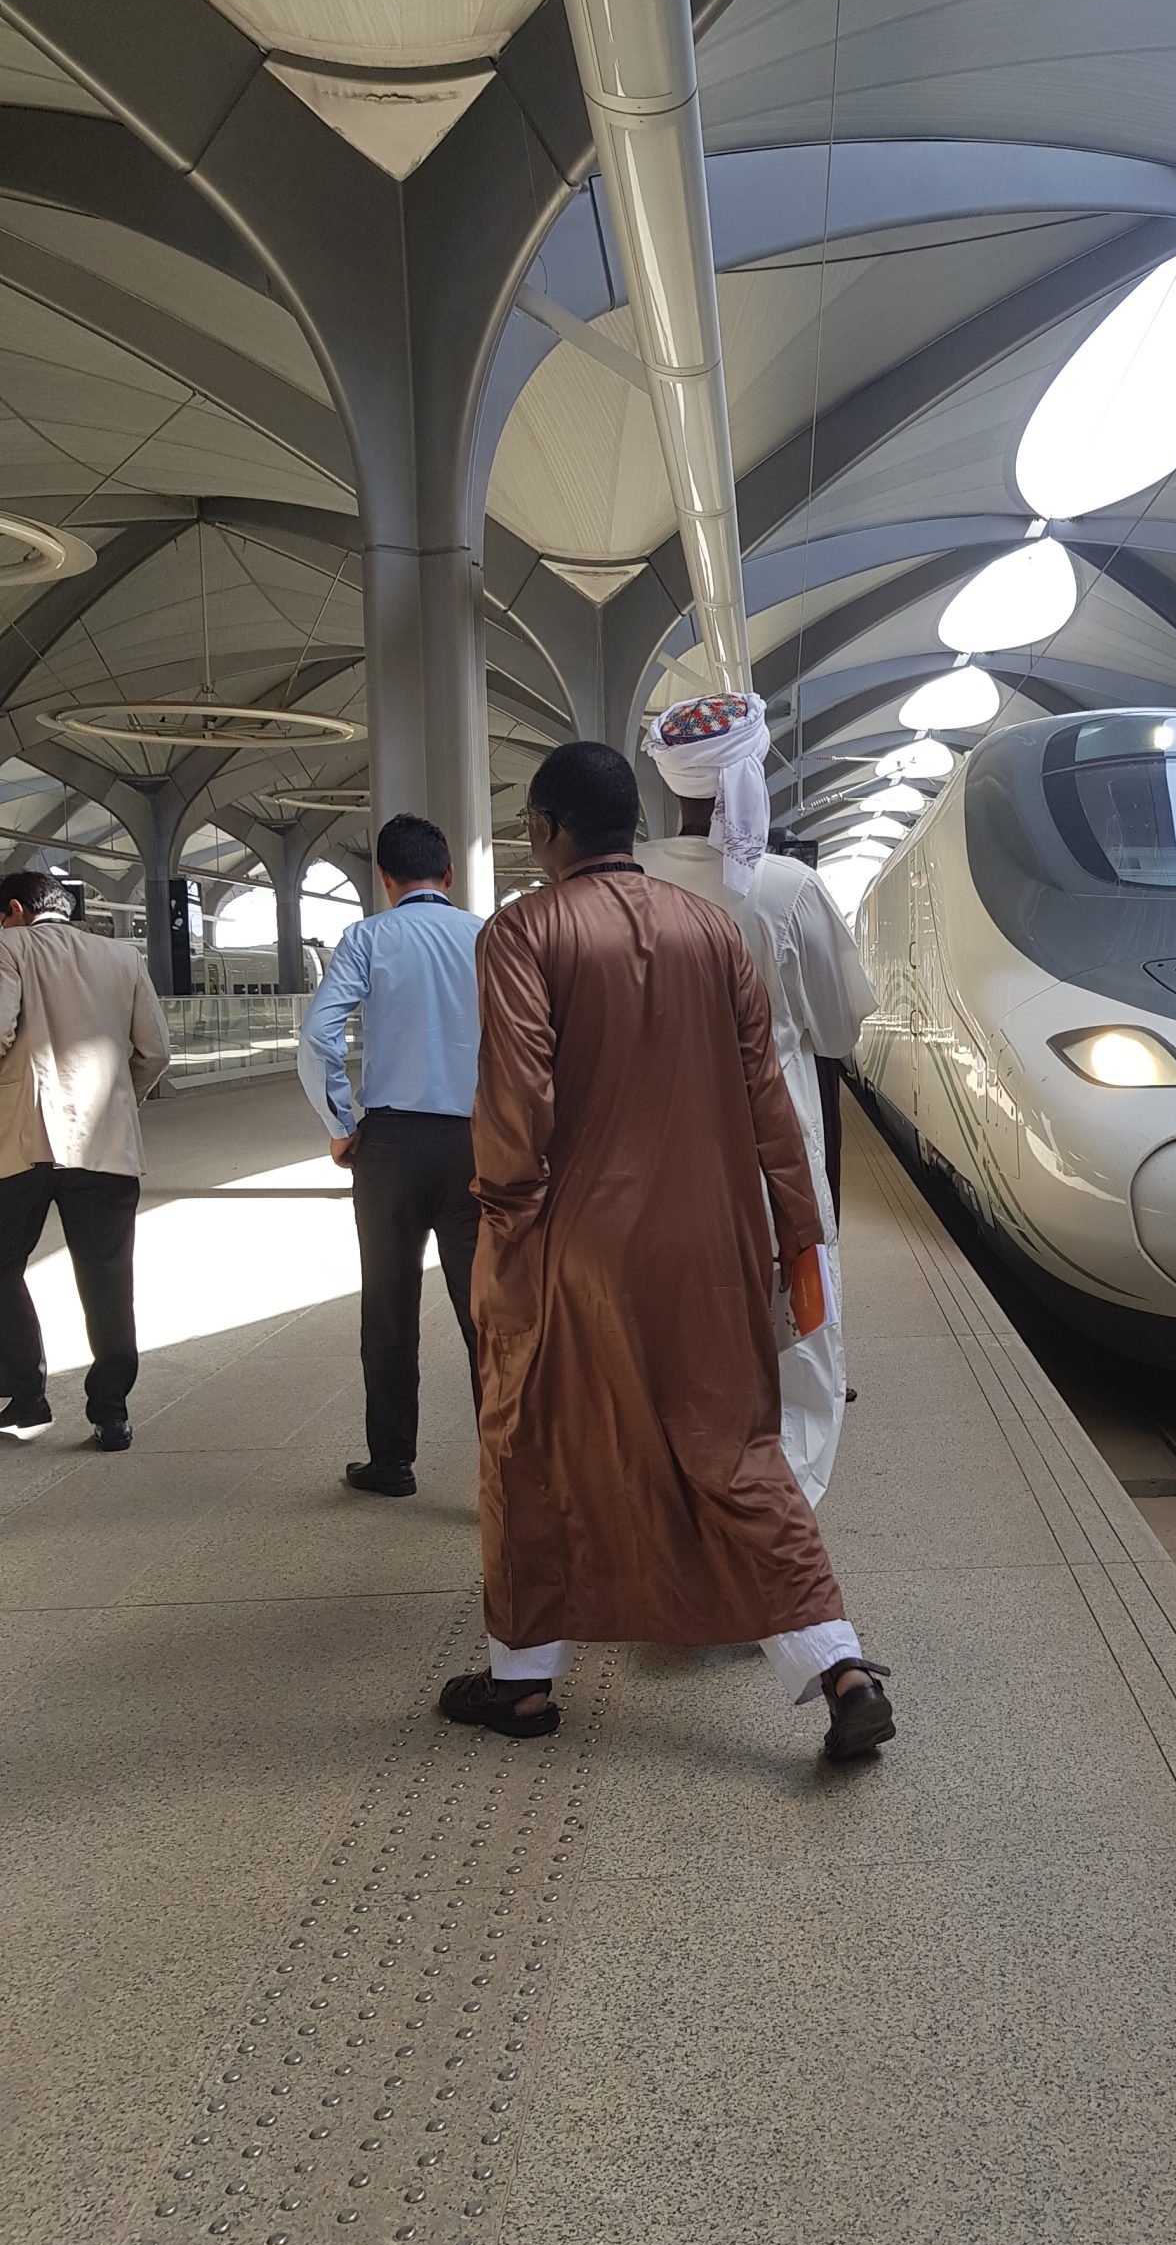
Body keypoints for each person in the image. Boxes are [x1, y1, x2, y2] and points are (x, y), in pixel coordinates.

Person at [440, 739, 894, 1761]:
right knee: (737, 1445)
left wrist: (506, 1228)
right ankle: (841, 1667)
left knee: (530, 1440)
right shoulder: (711, 929)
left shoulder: (523, 933)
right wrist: (797, 1232)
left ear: (543, 830)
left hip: (575, 1244)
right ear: (629, 822)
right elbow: (770, 1099)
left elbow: (517, 1105)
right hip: (713, 1240)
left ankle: (523, 1683)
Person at [643, 690, 877, 1501]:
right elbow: (840, 1032)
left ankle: (684, 1491)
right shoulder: (788, 889)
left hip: (653, 1153)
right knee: (796, 1331)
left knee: (671, 1324)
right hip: (773, 1158)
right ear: (750, 775)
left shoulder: (627, 881)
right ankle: (784, 1508)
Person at [298, 813, 482, 1498]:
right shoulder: (488, 935)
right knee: (488, 1311)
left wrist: (339, 1122)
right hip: (476, 1145)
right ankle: (506, 1470)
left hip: (392, 1147)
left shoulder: (367, 937)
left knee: (388, 1305)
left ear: (384, 879)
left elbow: (318, 1036)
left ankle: (392, 1462)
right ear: (450, 874)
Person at [0, 869, 170, 1448]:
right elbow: (155, 1052)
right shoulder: (124, 957)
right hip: (105, 1146)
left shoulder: (8, 946)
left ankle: (25, 1393)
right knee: (107, 1277)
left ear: (14, 910)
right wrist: (120, 1102)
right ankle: (111, 1412)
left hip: (23, 1143)